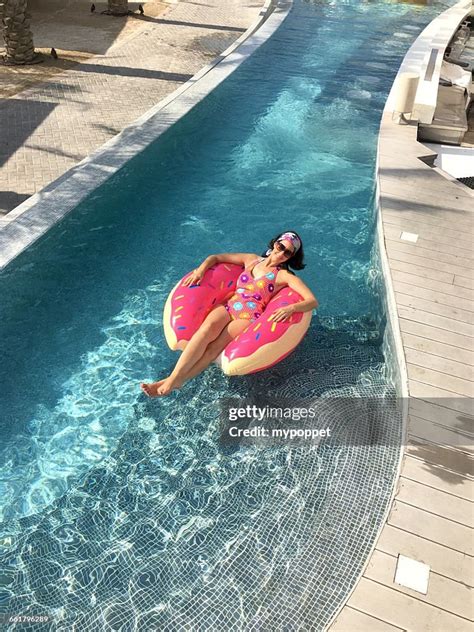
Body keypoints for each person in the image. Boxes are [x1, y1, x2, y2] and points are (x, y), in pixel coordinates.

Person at [141, 231, 318, 397]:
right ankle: (174, 379)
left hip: (248, 316)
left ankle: (173, 381)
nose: (281, 253)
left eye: (287, 253)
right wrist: (201, 270)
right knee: (204, 333)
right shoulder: (251, 260)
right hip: (230, 305)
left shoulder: (283, 276)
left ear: (290, 257)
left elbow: (312, 300)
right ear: (274, 244)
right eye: (281, 247)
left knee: (213, 349)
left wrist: (291, 308)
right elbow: (216, 258)